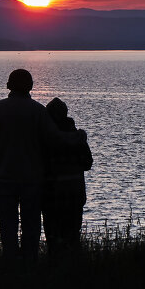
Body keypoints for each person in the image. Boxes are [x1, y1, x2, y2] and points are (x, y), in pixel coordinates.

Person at [0, 69, 86, 260]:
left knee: (8, 227)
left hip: (4, 179)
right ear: (29, 86)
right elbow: (56, 138)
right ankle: (29, 266)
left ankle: (11, 267)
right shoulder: (37, 111)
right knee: (31, 227)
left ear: (9, 85)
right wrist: (78, 137)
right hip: (32, 180)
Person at [41, 97, 92, 259]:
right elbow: (87, 163)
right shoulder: (78, 138)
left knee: (54, 237)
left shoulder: (46, 141)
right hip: (75, 195)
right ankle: (73, 268)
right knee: (72, 236)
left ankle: (55, 270)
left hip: (52, 197)